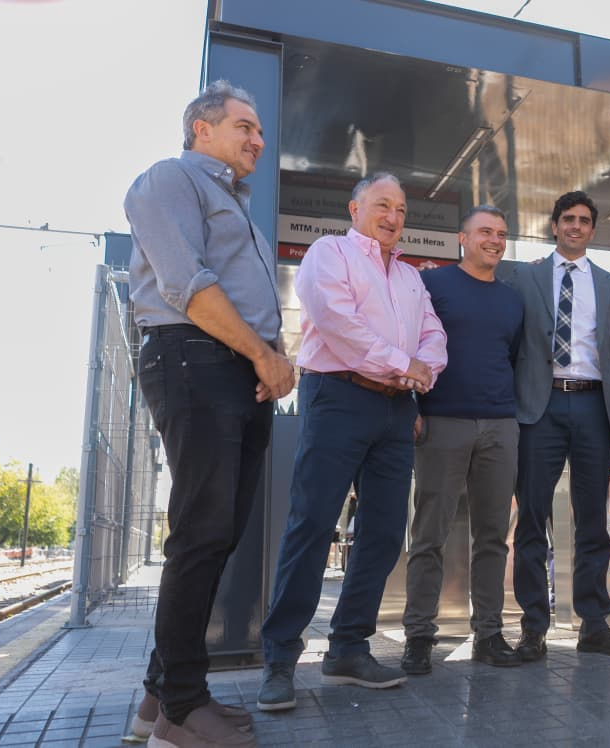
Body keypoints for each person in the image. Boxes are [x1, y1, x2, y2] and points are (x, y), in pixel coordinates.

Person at [124, 80, 295, 747]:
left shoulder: (236, 206)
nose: (258, 139)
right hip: (194, 358)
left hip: (238, 371)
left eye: (260, 130)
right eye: (245, 126)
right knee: (200, 535)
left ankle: (156, 698)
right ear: (202, 127)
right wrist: (262, 353)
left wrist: (268, 358)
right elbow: (186, 285)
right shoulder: (170, 179)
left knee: (216, 536)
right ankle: (180, 711)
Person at [256, 173, 447, 711]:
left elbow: (434, 333)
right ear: (354, 209)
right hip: (338, 396)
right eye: (382, 205)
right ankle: (279, 659)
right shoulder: (329, 253)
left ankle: (347, 648)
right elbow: (338, 323)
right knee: (313, 524)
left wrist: (423, 368)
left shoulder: (410, 277)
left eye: (401, 210)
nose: (393, 217)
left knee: (384, 533)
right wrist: (403, 363)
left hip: (397, 408)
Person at [500, 191, 610, 659]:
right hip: (539, 407)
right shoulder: (524, 277)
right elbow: (509, 344)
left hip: (595, 407)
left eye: (584, 220)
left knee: (593, 519)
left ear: (593, 230)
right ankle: (533, 627)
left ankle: (594, 624)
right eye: (568, 219)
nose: (576, 226)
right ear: (555, 225)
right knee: (532, 517)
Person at [400, 205, 525, 674]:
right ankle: (418, 636)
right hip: (442, 421)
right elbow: (410, 346)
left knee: (493, 536)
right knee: (429, 534)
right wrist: (412, 407)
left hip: (500, 425)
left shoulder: (512, 300)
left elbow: (512, 358)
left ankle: (489, 635)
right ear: (462, 238)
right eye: (485, 231)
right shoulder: (431, 285)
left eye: (502, 233)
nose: (494, 240)